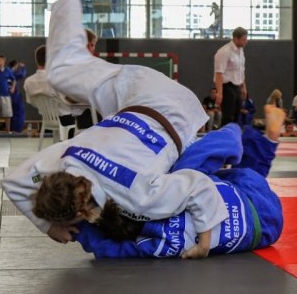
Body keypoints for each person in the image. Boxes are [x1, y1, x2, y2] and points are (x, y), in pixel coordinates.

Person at [2, 0, 225, 258]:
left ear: (83, 211)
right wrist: (47, 224)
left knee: (59, 76)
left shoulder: (138, 197)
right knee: (60, 72)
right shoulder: (63, 160)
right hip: (141, 91)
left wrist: (205, 244)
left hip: (173, 109)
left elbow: (199, 186)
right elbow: (15, 182)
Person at [73, 106, 285, 258]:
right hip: (251, 192)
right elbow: (212, 151)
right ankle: (241, 135)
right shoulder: (166, 190)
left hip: (265, 231)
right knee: (194, 167)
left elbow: (105, 249)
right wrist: (233, 131)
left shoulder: (147, 245)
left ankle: (256, 141)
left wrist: (78, 230)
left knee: (214, 176)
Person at [24, 45, 85, 130]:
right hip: (68, 119)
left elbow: (31, 101)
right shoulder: (57, 80)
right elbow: (69, 100)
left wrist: (49, 110)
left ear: (36, 60)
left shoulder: (28, 82)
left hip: (48, 118)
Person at [214, 27, 248, 126]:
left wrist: (244, 87)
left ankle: (234, 138)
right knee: (228, 116)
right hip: (226, 87)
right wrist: (219, 93)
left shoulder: (241, 51)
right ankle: (225, 139)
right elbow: (219, 73)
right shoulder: (224, 52)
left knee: (237, 115)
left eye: (246, 39)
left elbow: (241, 70)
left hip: (237, 86)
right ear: (235, 39)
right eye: (243, 39)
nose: (246, 42)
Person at [7, 59, 27, 133]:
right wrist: (23, 68)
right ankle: (17, 128)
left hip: (6, 95)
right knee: (18, 111)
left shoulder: (6, 72)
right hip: (14, 95)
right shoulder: (12, 73)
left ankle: (11, 128)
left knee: (10, 112)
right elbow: (21, 75)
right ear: (15, 65)